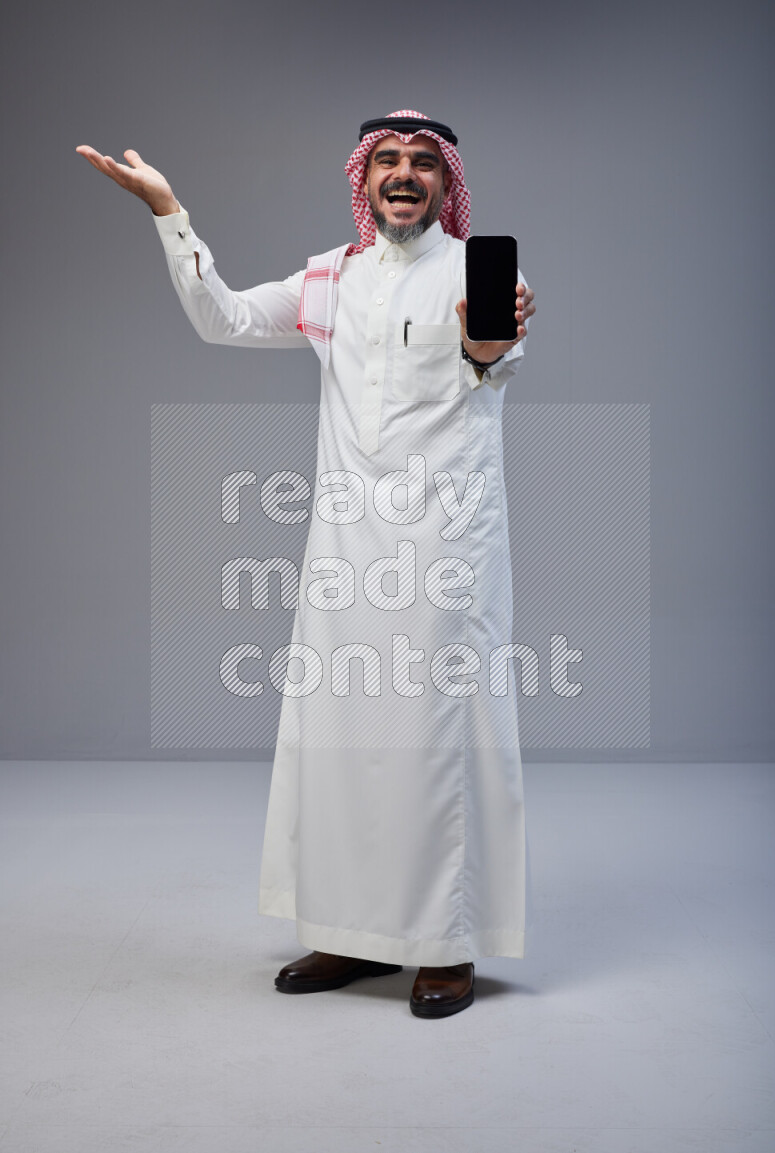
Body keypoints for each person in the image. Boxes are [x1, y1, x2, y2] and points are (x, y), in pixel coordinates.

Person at [76, 110, 536, 1019]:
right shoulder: (331, 276)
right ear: (363, 180)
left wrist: (486, 347)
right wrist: (171, 213)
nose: (403, 176)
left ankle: (444, 943)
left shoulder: (484, 276)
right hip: (344, 545)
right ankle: (350, 931)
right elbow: (225, 318)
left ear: (446, 184)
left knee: (434, 737)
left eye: (421, 164)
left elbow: (496, 356)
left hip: (445, 546)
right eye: (387, 162)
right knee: (340, 734)